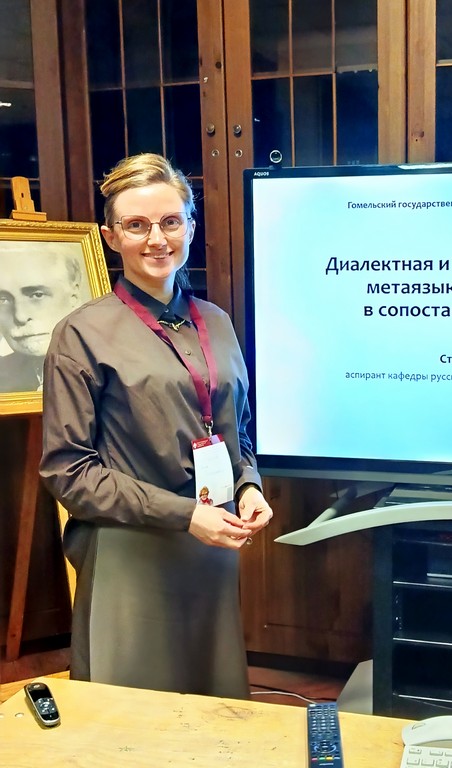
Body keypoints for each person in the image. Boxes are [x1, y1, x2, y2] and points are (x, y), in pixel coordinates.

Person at [39, 153, 273, 699]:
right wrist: (186, 514)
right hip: (130, 550)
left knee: (214, 706)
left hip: (213, 545)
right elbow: (68, 471)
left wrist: (248, 484)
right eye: (136, 225)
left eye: (170, 221)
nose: (156, 239)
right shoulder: (80, 334)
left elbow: (235, 430)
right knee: (135, 715)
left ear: (190, 226)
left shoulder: (217, 321)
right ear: (110, 237)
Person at [0, 250, 85, 392]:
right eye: (3, 300)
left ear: (73, 297)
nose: (20, 316)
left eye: (37, 295)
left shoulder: (108, 367)